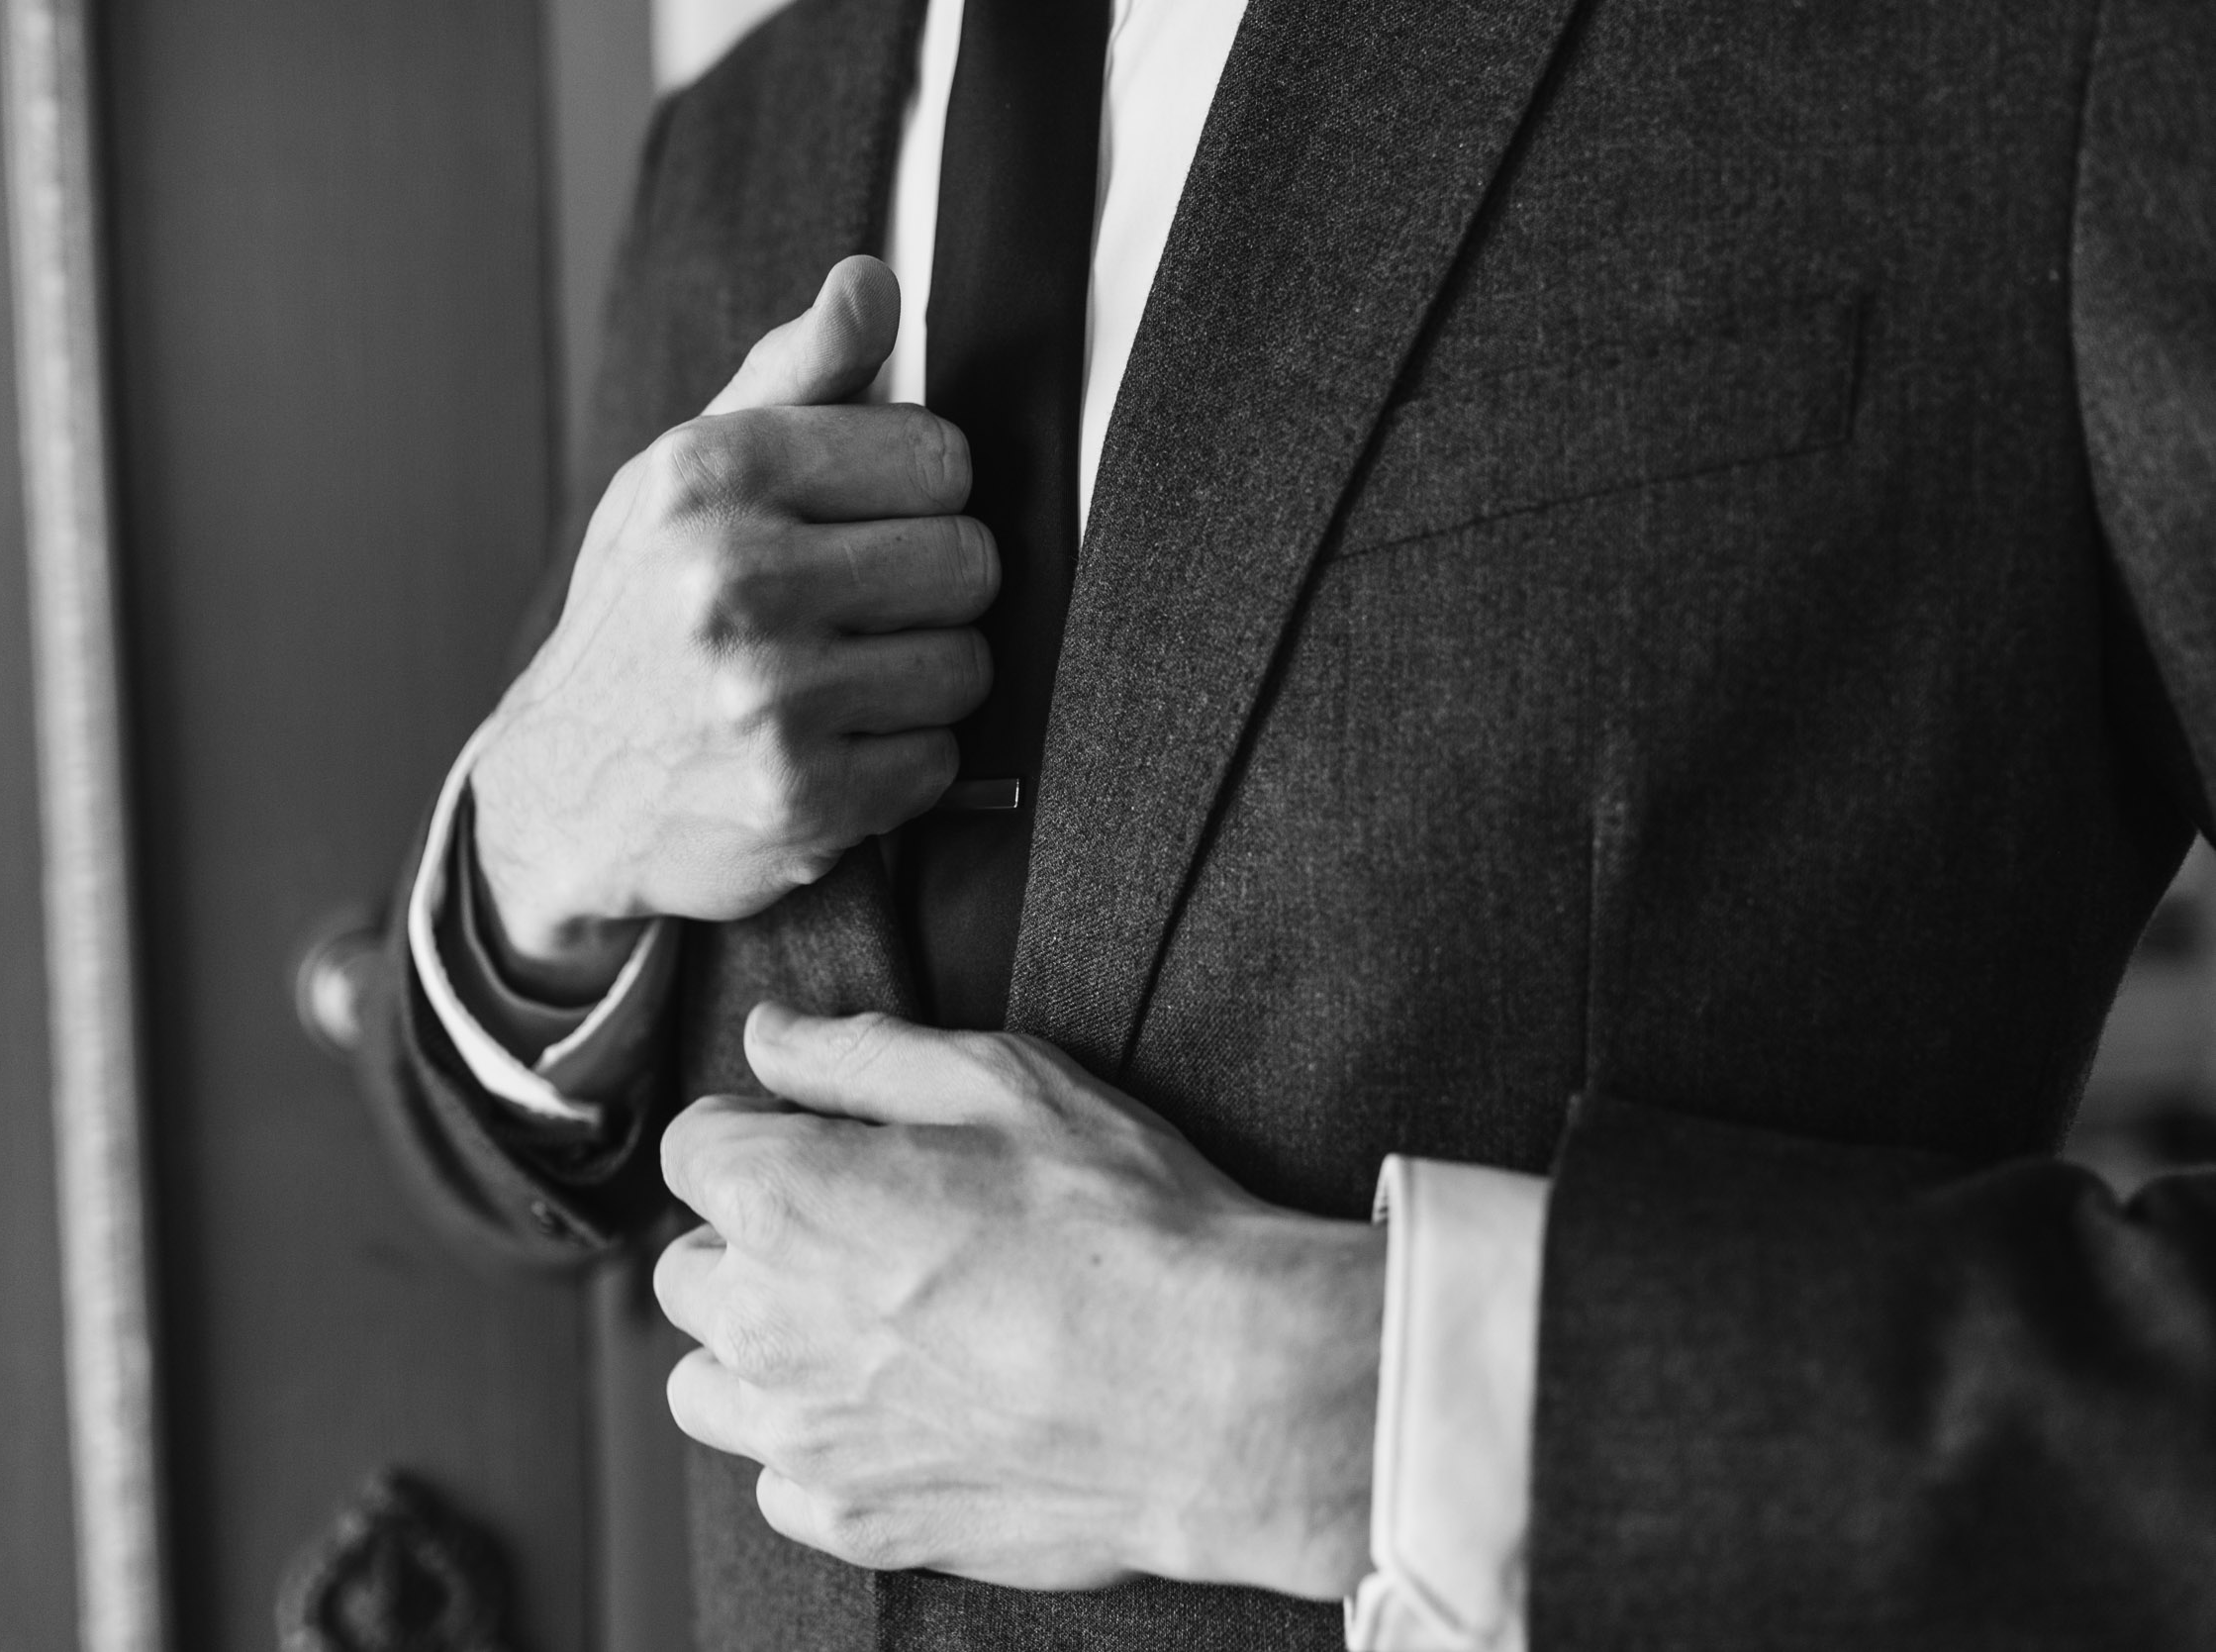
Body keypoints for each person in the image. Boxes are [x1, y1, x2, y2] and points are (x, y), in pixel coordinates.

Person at [357, 0, 2216, 1644]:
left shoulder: (2039, 47)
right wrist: (544, 821)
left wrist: (1332, 1407)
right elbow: (491, 1149)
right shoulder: (738, 143)